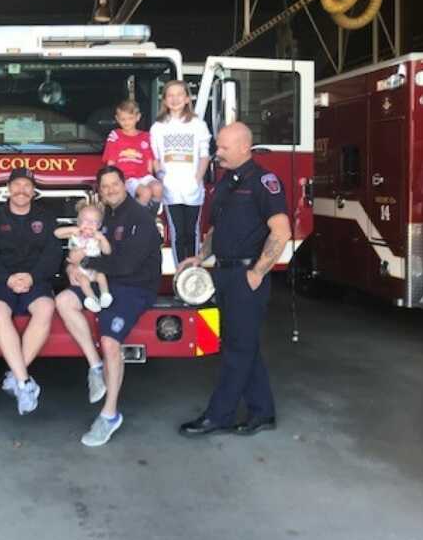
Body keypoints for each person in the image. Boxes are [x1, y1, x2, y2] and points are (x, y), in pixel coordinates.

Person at [176, 122, 291, 438]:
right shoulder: (226, 183)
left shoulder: (264, 181)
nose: (218, 152)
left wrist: (257, 273)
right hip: (223, 274)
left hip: (246, 276)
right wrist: (200, 257)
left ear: (244, 147)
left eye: (224, 147)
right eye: (218, 146)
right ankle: (262, 412)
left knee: (236, 351)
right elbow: (217, 230)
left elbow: (281, 231)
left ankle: (219, 415)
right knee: (242, 345)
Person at [55, 166, 162, 447]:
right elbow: (76, 246)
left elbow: (126, 265)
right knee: (64, 300)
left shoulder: (140, 218)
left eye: (115, 184)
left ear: (124, 184)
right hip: (104, 281)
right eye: (105, 186)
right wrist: (71, 269)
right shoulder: (102, 216)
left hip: (134, 285)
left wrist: (83, 263)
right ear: (99, 190)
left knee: (110, 341)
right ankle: (94, 368)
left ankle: (110, 414)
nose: (111, 189)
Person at [0, 168, 61, 415]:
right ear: (9, 189)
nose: (21, 190)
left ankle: (17, 376)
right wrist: (8, 278)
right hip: (0, 280)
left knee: (45, 307)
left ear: (33, 191)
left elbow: (53, 254)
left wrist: (31, 276)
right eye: (17, 185)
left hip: (35, 278)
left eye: (27, 186)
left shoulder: (46, 219)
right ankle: (24, 382)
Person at [150, 80, 212, 265]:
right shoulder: (158, 127)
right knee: (177, 233)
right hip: (170, 189)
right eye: (170, 95)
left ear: (186, 98)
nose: (175, 99)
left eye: (179, 95)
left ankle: (192, 272)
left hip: (192, 189)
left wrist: (197, 179)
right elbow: (154, 158)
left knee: (191, 232)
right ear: (165, 100)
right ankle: (180, 274)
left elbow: (204, 155)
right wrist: (161, 178)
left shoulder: (198, 125)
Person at [102, 99, 163, 212]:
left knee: (158, 188)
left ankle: (150, 218)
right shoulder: (115, 135)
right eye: (123, 119)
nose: (127, 122)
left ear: (138, 117)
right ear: (117, 119)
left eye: (130, 118)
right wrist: (112, 180)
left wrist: (156, 174)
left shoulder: (146, 136)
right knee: (145, 193)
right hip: (126, 177)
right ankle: (135, 219)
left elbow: (150, 159)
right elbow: (111, 160)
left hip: (143, 175)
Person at [54, 201, 113, 312]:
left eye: (93, 222)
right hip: (80, 270)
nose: (89, 224)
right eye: (85, 220)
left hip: (94, 269)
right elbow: (57, 233)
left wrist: (102, 239)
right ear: (79, 222)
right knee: (83, 281)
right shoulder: (75, 234)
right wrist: (72, 229)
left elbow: (107, 251)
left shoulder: (97, 238)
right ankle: (92, 299)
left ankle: (105, 295)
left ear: (99, 225)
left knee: (101, 276)